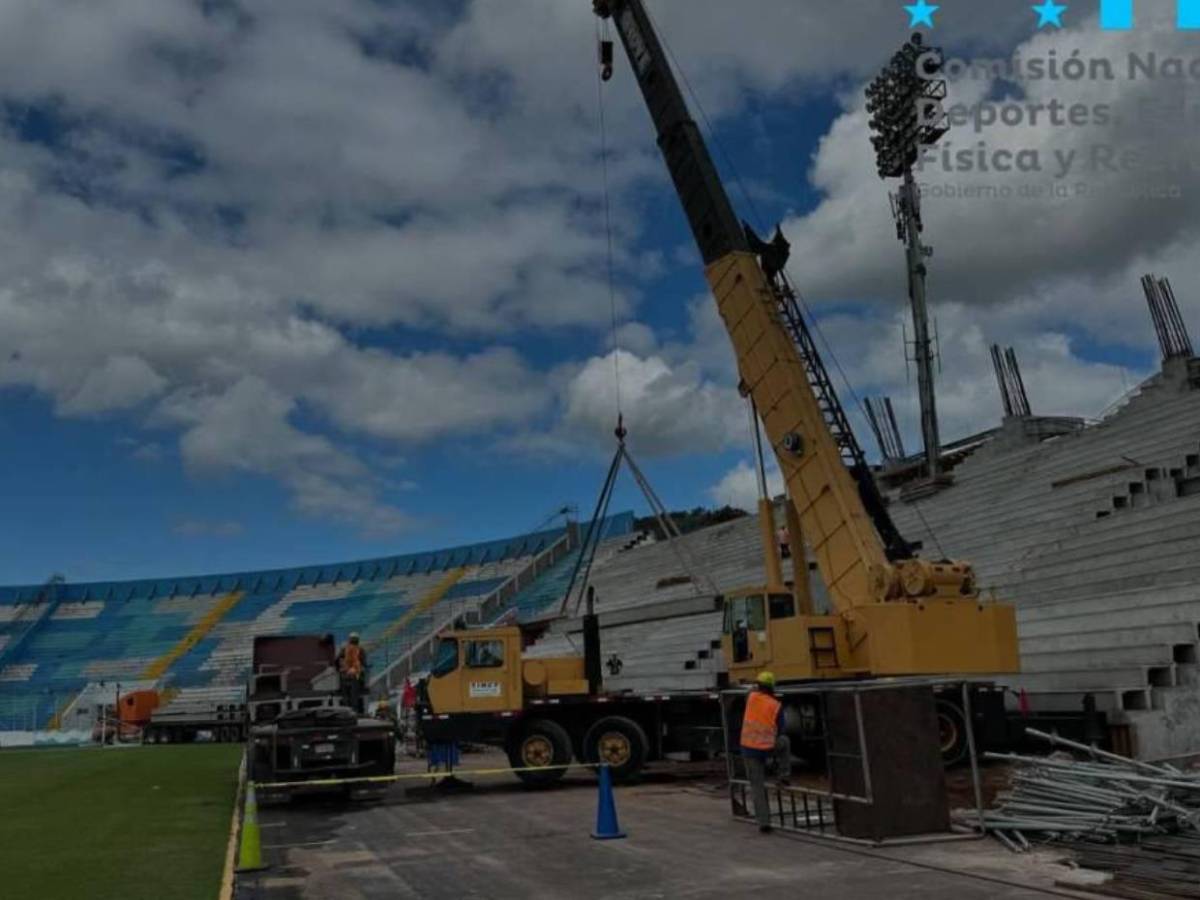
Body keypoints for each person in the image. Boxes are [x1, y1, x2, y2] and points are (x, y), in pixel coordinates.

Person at [740, 671, 792, 833]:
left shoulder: (751, 698)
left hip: (749, 748)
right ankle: (784, 776)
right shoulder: (776, 705)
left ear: (758, 686)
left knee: (757, 787)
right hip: (768, 747)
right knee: (785, 742)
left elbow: (750, 690)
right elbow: (781, 729)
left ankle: (764, 823)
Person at [338, 633, 367, 713]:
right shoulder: (360, 649)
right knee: (353, 694)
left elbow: (338, 660)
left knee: (346, 695)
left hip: (346, 675)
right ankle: (353, 710)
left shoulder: (344, 649)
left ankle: (347, 710)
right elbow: (363, 663)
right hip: (354, 675)